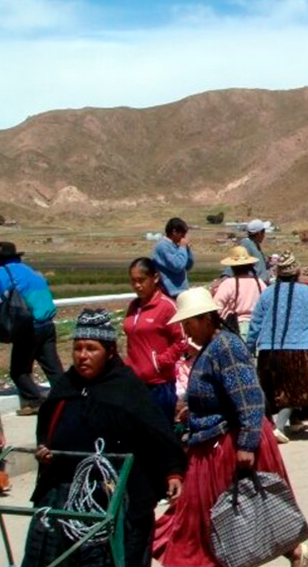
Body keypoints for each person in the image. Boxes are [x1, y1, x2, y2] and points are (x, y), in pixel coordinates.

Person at [154, 287, 308, 567]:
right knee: (227, 514)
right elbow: (220, 393)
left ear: (206, 319)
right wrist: (195, 409)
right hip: (214, 439)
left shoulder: (225, 347)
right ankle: (293, 552)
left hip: (232, 442)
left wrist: (247, 445)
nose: (185, 330)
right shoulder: (210, 348)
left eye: (188, 323)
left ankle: (289, 550)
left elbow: (250, 398)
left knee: (226, 513)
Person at [25, 309, 186, 567]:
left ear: (110, 352)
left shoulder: (128, 390)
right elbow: (47, 428)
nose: (82, 356)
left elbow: (159, 436)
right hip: (64, 494)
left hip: (116, 498)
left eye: (91, 348)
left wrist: (173, 472)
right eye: (78, 348)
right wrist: (44, 450)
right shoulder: (66, 386)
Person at [247, 252, 308, 444]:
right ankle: (278, 427)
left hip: (268, 349)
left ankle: (295, 420)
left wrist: (250, 346)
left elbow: (256, 323)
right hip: (298, 349)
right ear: (297, 272)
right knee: (295, 390)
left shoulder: (267, 292)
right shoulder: (306, 292)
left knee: (273, 389)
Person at [0, 241, 62, 415]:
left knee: (19, 371)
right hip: (48, 324)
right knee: (53, 367)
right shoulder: (30, 270)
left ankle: (34, 401)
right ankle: (65, 399)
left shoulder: (3, 273)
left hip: (29, 328)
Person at [123, 257, 186, 422]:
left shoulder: (166, 307)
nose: (137, 286)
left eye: (141, 280)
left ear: (155, 278)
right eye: (133, 281)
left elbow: (182, 340)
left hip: (160, 384)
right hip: (135, 382)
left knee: (160, 433)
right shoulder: (133, 306)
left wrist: (161, 361)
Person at [213, 245, 266, 337]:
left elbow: (216, 308)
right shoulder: (259, 283)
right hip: (258, 326)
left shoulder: (229, 284)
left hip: (234, 328)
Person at [152, 217, 195, 297]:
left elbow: (188, 266)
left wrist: (187, 250)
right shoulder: (162, 246)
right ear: (174, 232)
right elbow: (177, 266)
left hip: (182, 291)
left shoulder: (177, 246)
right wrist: (182, 247)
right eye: (182, 234)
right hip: (169, 292)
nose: (184, 237)